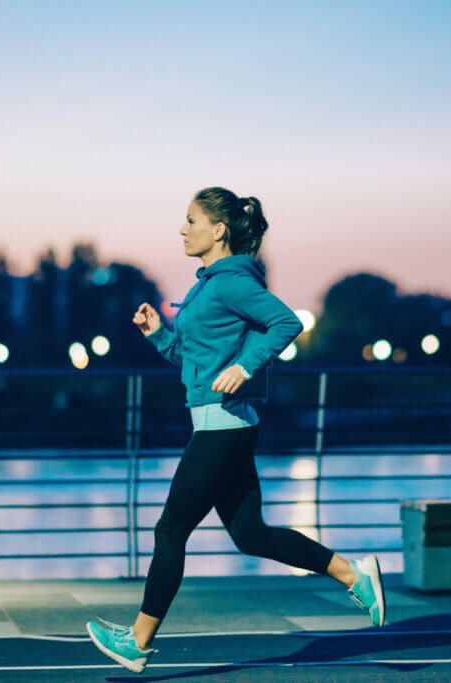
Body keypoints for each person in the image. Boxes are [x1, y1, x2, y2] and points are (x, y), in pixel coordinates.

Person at [85, 187, 385, 673]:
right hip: (224, 425)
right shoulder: (208, 286)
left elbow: (285, 324)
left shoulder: (231, 283)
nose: (182, 229)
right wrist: (157, 334)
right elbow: (194, 362)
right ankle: (353, 574)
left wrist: (246, 367)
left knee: (170, 530)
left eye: (191, 220)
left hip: (222, 428)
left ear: (218, 230)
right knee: (249, 534)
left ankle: (138, 642)